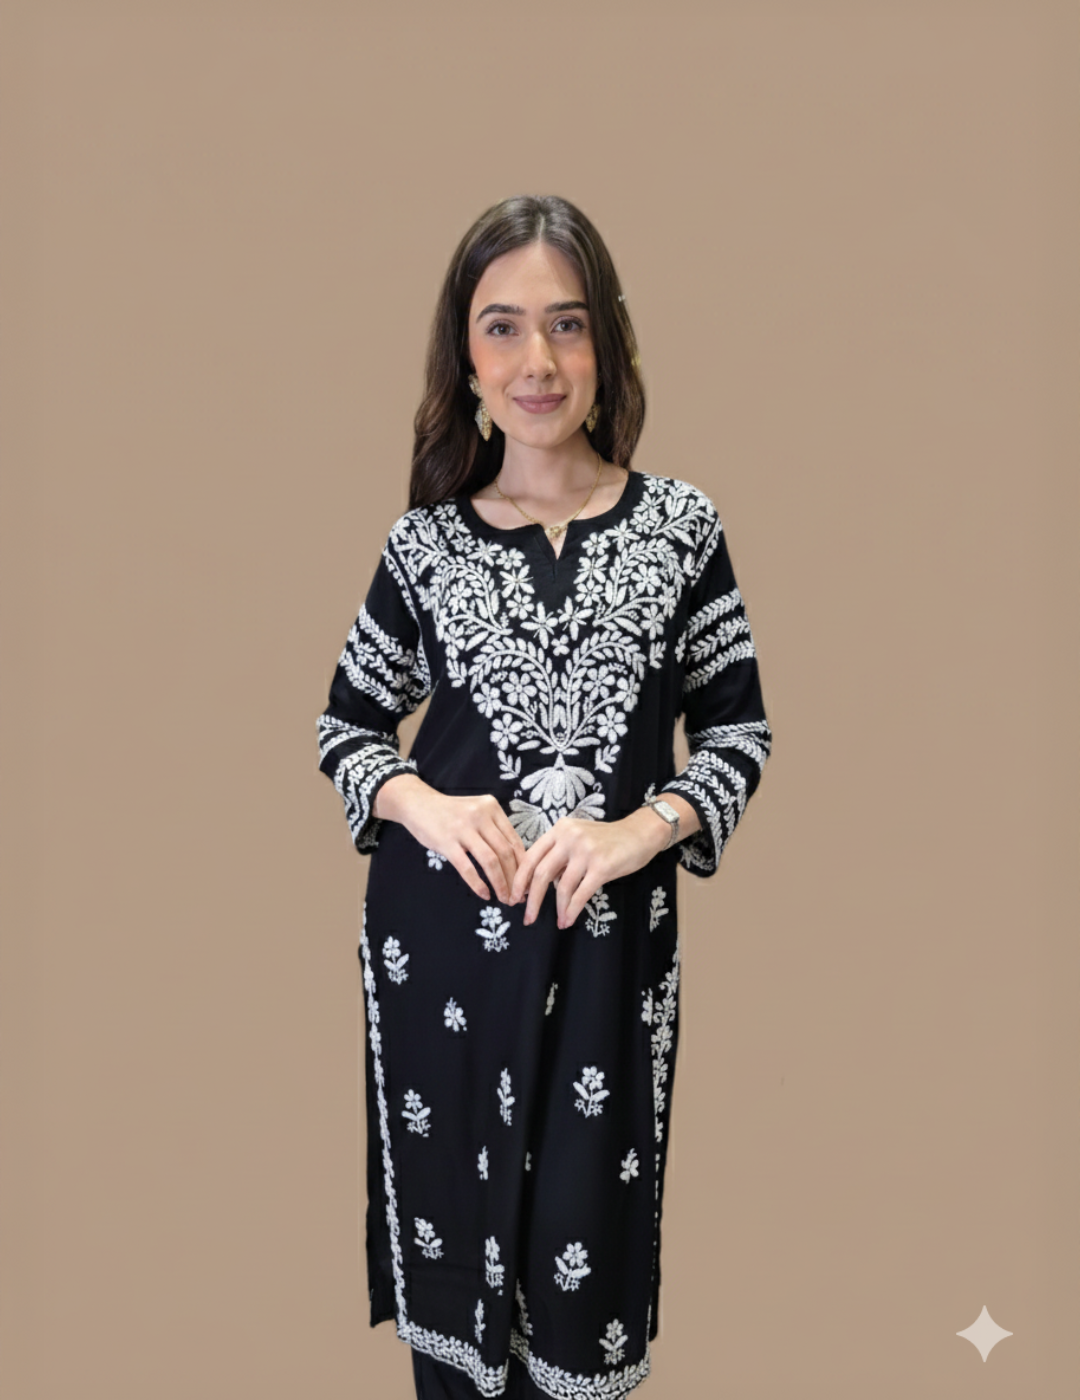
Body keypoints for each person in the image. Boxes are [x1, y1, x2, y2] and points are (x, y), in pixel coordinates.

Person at [316, 194, 772, 1399]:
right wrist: (424, 802)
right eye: (503, 327)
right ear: (465, 355)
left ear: (607, 344)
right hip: (442, 962)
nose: (538, 362)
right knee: (458, 1309)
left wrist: (637, 831)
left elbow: (738, 732)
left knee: (583, 1278)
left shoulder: (680, 529)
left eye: (566, 325)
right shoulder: (425, 547)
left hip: (608, 958)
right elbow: (345, 725)